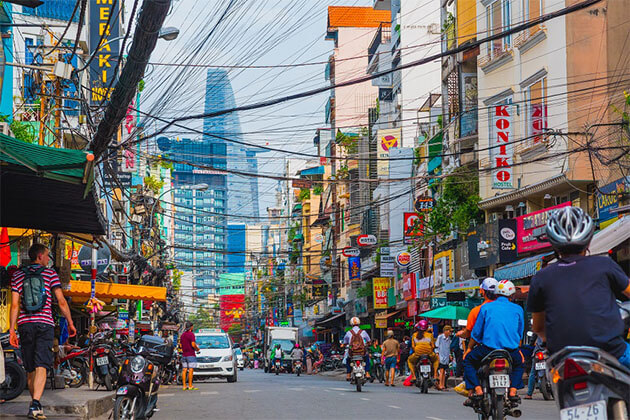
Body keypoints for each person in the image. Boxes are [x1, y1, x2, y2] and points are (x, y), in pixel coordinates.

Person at [528, 206, 630, 368]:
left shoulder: (541, 277)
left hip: (562, 358)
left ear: (553, 243)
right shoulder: (604, 265)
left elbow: (539, 327)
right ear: (589, 239)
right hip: (611, 352)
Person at [9, 243, 77, 420]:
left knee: (30, 367)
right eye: (47, 255)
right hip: (44, 324)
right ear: (40, 256)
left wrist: (11, 330)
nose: (48, 259)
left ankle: (35, 404)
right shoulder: (49, 274)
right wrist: (70, 322)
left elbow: (15, 304)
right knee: (41, 365)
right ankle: (36, 404)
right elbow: (61, 301)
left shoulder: (17, 275)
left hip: (25, 325)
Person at [463, 280, 525, 405]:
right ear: (511, 295)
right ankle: (513, 391)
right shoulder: (518, 309)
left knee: (468, 361)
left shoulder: (485, 308)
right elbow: (519, 332)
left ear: (495, 294)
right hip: (510, 351)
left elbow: (476, 333)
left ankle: (477, 389)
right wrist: (518, 350)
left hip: (488, 349)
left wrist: (469, 348)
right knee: (519, 364)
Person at [343, 316, 371, 381]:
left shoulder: (349, 332)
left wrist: (344, 345)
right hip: (362, 352)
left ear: (351, 324)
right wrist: (368, 344)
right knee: (367, 359)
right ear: (359, 323)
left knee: (348, 360)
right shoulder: (363, 332)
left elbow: (345, 342)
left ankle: (348, 374)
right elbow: (368, 341)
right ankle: (367, 373)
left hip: (352, 353)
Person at [179, 321, 200, 391]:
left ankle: (184, 386)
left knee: (184, 370)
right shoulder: (191, 335)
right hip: (191, 354)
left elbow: (180, 345)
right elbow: (193, 344)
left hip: (184, 354)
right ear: (191, 327)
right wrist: (197, 349)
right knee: (191, 369)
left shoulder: (182, 335)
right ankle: (190, 385)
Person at [435, 325, 453, 390]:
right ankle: (440, 384)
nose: (450, 333)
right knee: (441, 371)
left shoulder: (449, 339)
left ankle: (442, 385)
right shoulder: (440, 337)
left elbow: (448, 348)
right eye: (449, 331)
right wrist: (437, 354)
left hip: (446, 356)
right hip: (441, 355)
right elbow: (436, 346)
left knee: (444, 371)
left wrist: (450, 355)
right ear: (445, 331)